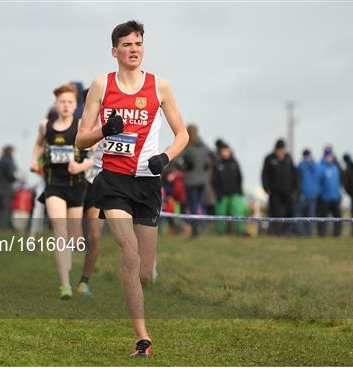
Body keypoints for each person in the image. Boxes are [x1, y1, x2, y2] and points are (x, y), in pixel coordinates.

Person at [75, 20, 188, 357]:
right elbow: (81, 139)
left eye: (138, 43)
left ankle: (138, 290)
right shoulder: (101, 85)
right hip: (113, 181)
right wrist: (103, 130)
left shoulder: (159, 86)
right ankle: (142, 337)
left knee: (143, 272)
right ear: (115, 51)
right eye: (126, 44)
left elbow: (182, 134)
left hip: (147, 183)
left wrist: (164, 158)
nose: (134, 49)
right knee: (126, 248)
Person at [30, 84, 93, 300]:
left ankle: (74, 262)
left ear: (75, 106)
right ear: (56, 105)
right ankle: (64, 285)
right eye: (62, 102)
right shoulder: (44, 126)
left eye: (70, 102)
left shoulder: (81, 126)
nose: (65, 105)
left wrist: (81, 166)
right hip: (54, 185)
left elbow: (95, 156)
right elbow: (38, 146)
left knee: (75, 237)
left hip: (76, 185)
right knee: (60, 232)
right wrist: (34, 161)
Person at [76, 89, 105, 297]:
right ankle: (63, 277)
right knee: (73, 235)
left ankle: (84, 281)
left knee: (94, 236)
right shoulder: (76, 126)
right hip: (75, 187)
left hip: (98, 187)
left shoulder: (110, 125)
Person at [175, 124, 213, 237]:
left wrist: (185, 168)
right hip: (202, 180)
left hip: (191, 180)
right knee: (200, 204)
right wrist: (205, 167)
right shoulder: (204, 146)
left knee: (193, 206)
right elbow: (213, 157)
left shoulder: (188, 146)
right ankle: (201, 227)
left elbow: (176, 160)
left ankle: (195, 231)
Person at [261, 139, 298, 236]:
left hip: (288, 191)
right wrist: (266, 188)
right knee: (276, 213)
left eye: (283, 150)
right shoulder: (269, 158)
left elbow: (294, 174)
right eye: (280, 150)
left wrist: (296, 188)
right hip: (275, 192)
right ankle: (277, 232)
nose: (281, 152)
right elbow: (265, 174)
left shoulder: (289, 158)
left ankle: (288, 231)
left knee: (290, 211)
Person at [211, 142, 246, 235]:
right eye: (223, 151)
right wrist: (217, 193)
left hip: (234, 193)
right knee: (220, 214)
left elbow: (239, 178)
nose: (225, 153)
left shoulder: (234, 163)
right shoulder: (217, 164)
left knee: (238, 212)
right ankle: (219, 232)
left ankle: (240, 231)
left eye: (227, 151)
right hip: (221, 195)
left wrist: (239, 191)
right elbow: (214, 181)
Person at [317, 146, 342, 237]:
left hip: (335, 197)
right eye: (327, 155)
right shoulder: (320, 167)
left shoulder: (336, 167)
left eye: (330, 155)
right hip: (324, 198)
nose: (329, 157)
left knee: (338, 218)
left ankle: (337, 235)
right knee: (323, 218)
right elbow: (318, 182)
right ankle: (322, 235)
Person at [0, 145, 17, 229]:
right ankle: (4, 226)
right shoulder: (9, 160)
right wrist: (16, 179)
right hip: (5, 189)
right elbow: (10, 175)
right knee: (6, 209)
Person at [295, 149, 321, 236]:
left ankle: (303, 233)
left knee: (297, 213)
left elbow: (298, 180)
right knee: (310, 215)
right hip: (314, 195)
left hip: (305, 195)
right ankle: (310, 233)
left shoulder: (301, 165)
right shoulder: (315, 165)